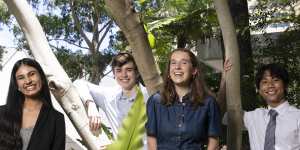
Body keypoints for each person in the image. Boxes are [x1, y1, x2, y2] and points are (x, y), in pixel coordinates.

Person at [146, 48, 221, 150]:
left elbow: (213, 141)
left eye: (184, 63)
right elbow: (151, 140)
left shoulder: (209, 103)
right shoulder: (155, 101)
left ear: (194, 70)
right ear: (168, 72)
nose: (177, 67)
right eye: (173, 63)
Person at [223, 62, 300, 150]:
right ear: (259, 90)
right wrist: (225, 78)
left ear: (285, 85)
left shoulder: (297, 117)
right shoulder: (254, 117)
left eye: (275, 80)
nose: (270, 85)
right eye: (265, 82)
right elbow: (220, 115)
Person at [73, 52, 149, 138]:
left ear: (137, 72)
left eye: (129, 70)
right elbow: (78, 83)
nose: (124, 75)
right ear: (114, 73)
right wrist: (91, 105)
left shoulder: (150, 96)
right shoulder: (109, 95)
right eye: (119, 70)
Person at [0, 58, 65, 150]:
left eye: (32, 74)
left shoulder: (57, 119)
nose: (28, 81)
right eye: (21, 78)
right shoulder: (1, 113)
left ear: (41, 78)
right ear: (17, 85)